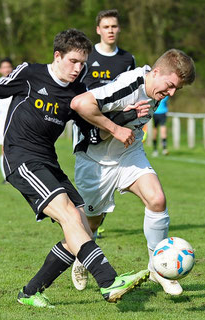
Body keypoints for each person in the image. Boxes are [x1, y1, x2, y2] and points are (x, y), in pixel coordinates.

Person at [0, 29, 150, 308]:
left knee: (80, 225)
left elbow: (96, 127)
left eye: (82, 63)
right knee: (68, 216)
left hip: (48, 161)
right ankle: (109, 282)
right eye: (73, 61)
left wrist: (127, 116)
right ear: (57, 56)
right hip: (20, 158)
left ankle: (30, 292)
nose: (78, 69)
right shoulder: (30, 73)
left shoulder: (78, 93)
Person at [71, 49, 196, 296]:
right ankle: (82, 256)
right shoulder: (129, 86)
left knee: (157, 200)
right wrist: (116, 128)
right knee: (92, 222)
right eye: (170, 86)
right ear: (156, 72)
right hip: (96, 160)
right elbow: (79, 104)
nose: (171, 94)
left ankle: (158, 269)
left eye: (176, 90)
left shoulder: (156, 90)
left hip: (130, 154)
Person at [81, 9, 136, 240]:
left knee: (113, 170)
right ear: (98, 30)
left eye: (114, 26)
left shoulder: (127, 59)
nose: (110, 30)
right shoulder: (87, 56)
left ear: (119, 28)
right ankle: (89, 218)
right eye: (106, 27)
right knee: (91, 174)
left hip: (118, 124)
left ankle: (97, 218)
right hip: (88, 122)